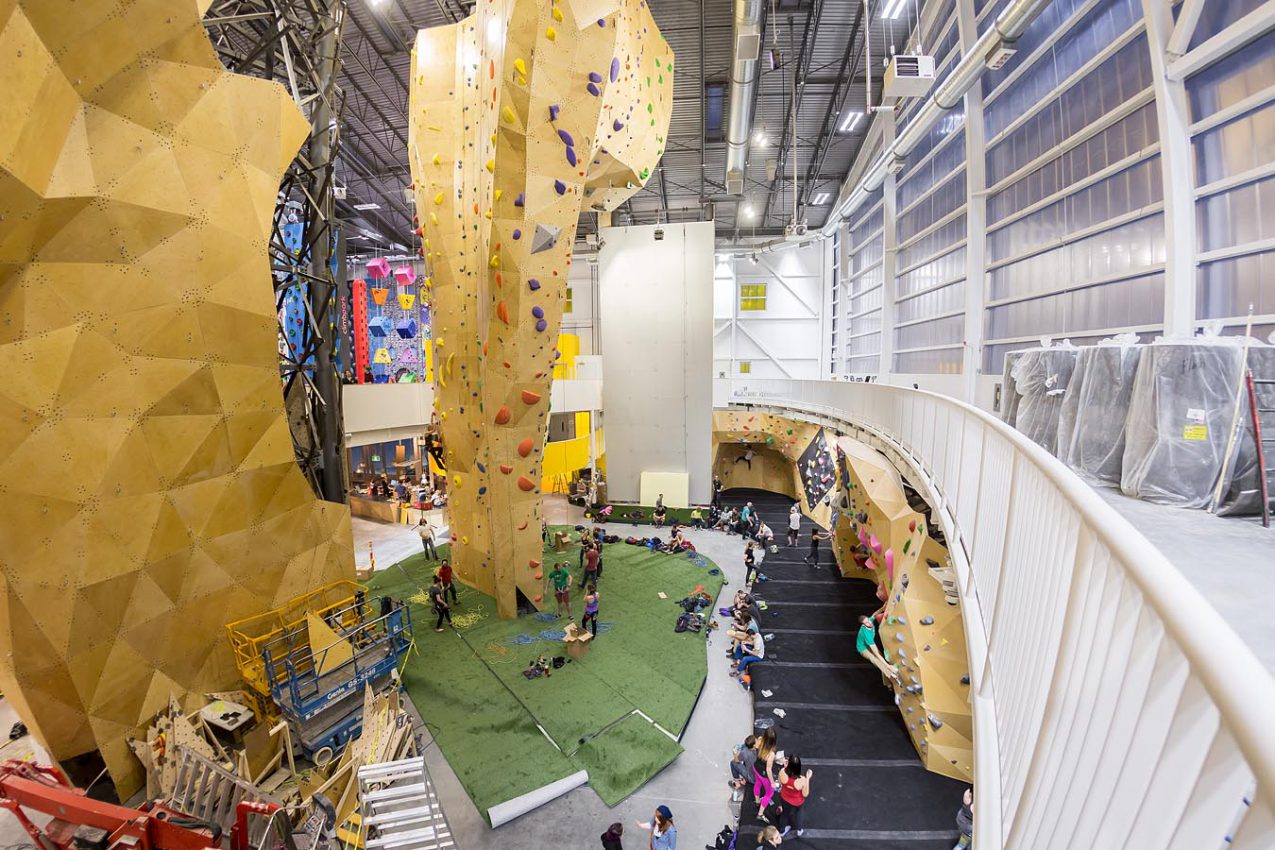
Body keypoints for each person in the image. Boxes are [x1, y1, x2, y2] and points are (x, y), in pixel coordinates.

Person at [775, 755, 812, 837]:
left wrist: (785, 768)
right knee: (799, 813)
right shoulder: (802, 780)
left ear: (788, 764)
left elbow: (780, 783)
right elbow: (805, 794)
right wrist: (808, 779)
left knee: (784, 814)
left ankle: (781, 831)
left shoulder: (782, 772)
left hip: (785, 798)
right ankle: (799, 830)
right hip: (797, 802)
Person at [857, 614, 900, 681]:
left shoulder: (870, 620)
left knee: (881, 658)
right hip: (863, 649)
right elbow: (876, 654)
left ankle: (887, 682)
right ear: (863, 624)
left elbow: (875, 614)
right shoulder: (866, 634)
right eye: (866, 623)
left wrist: (883, 608)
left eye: (868, 620)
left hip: (867, 644)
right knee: (875, 660)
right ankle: (890, 675)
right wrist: (888, 666)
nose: (869, 623)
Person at [753, 728, 780, 816]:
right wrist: (772, 782)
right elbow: (768, 769)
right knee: (769, 794)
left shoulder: (759, 740)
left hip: (756, 768)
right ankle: (760, 814)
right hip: (764, 774)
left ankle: (757, 801)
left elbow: (757, 748)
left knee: (757, 784)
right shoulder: (771, 754)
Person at [729, 735, 758, 801]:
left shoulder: (745, 753)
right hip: (759, 776)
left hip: (751, 778)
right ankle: (742, 780)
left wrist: (737, 752)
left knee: (733, 763)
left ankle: (737, 781)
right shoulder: (759, 751)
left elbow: (736, 760)